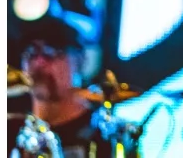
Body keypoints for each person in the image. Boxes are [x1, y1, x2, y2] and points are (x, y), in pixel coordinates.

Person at [10, 16, 111, 158]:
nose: (39, 62)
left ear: (81, 60)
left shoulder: (106, 135)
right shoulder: (10, 133)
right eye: (31, 51)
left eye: (51, 51)